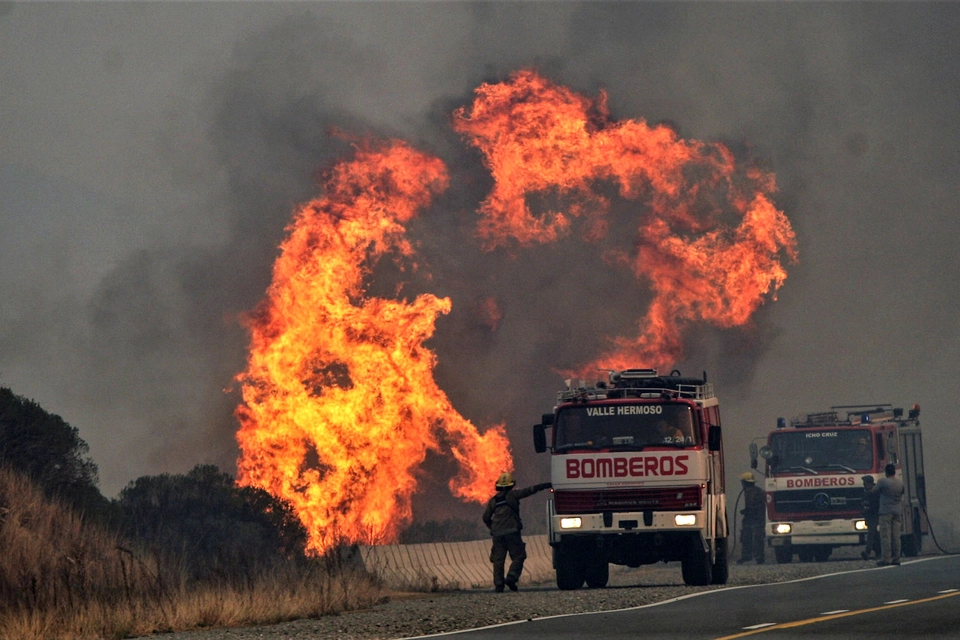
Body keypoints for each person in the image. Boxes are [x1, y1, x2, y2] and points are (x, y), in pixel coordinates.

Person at [482, 472, 551, 592]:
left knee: (498, 559)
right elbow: (528, 491)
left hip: (497, 534)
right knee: (519, 555)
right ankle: (511, 577)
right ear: (511, 485)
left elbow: (485, 517)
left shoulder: (493, 500)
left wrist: (493, 527)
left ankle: (499, 584)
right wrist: (543, 486)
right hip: (512, 532)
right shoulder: (513, 495)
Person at [876, 463, 904, 566]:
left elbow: (874, 491)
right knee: (896, 536)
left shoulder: (883, 482)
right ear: (894, 472)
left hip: (885, 512)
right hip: (897, 512)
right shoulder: (900, 483)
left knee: (885, 536)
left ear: (886, 472)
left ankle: (886, 559)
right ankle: (897, 558)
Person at [737, 472, 766, 565]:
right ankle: (746, 556)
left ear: (746, 482)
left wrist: (750, 510)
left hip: (758, 519)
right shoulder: (746, 492)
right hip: (748, 519)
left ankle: (759, 557)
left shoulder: (759, 492)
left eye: (743, 482)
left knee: (758, 538)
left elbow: (762, 506)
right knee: (745, 537)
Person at [860, 475, 881, 560]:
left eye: (865, 482)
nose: (864, 484)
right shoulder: (867, 491)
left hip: (874, 514)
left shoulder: (875, 492)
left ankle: (867, 552)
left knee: (871, 534)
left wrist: (868, 507)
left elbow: (876, 504)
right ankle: (879, 552)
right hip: (869, 515)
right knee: (875, 535)